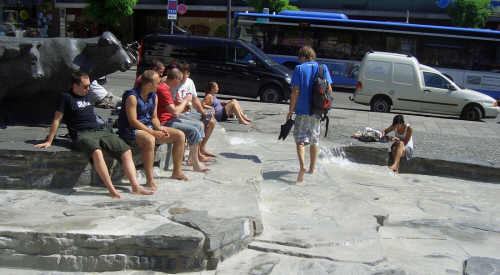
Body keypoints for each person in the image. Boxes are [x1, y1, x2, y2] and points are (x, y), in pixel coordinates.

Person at [34, 71, 154, 199]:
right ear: (75, 85)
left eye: (89, 85)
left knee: (126, 150)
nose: (88, 88)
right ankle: (111, 189)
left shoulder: (88, 95)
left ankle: (135, 186)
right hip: (82, 134)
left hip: (99, 130)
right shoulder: (66, 97)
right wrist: (49, 140)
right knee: (97, 152)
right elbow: (57, 119)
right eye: (85, 86)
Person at [118, 70, 189, 185]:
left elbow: (154, 117)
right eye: (157, 83)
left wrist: (159, 128)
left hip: (148, 127)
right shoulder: (132, 97)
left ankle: (177, 172)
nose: (159, 85)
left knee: (180, 135)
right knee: (150, 139)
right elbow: (133, 121)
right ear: (149, 84)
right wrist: (152, 132)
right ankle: (149, 180)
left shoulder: (153, 96)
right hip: (130, 130)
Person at [286, 46, 333, 183]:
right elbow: (329, 89)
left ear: (302, 56)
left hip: (302, 110)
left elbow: (295, 91)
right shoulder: (323, 68)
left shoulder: (299, 69)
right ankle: (312, 168)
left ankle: (302, 167)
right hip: (317, 110)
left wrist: (291, 110)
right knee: (314, 139)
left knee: (300, 140)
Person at [154, 67, 210, 172]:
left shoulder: (166, 88)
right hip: (164, 122)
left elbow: (171, 107)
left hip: (170, 118)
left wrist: (180, 103)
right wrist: (185, 100)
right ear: (175, 79)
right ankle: (195, 164)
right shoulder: (163, 89)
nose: (179, 84)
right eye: (179, 81)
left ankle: (193, 158)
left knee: (198, 125)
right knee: (193, 131)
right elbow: (175, 112)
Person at [173, 62, 217, 158]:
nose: (180, 76)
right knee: (200, 124)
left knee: (211, 120)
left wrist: (203, 112)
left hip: (189, 112)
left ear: (188, 73)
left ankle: (202, 148)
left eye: (183, 74)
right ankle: (195, 155)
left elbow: (195, 100)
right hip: (180, 114)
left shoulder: (190, 82)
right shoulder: (174, 82)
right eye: (179, 73)